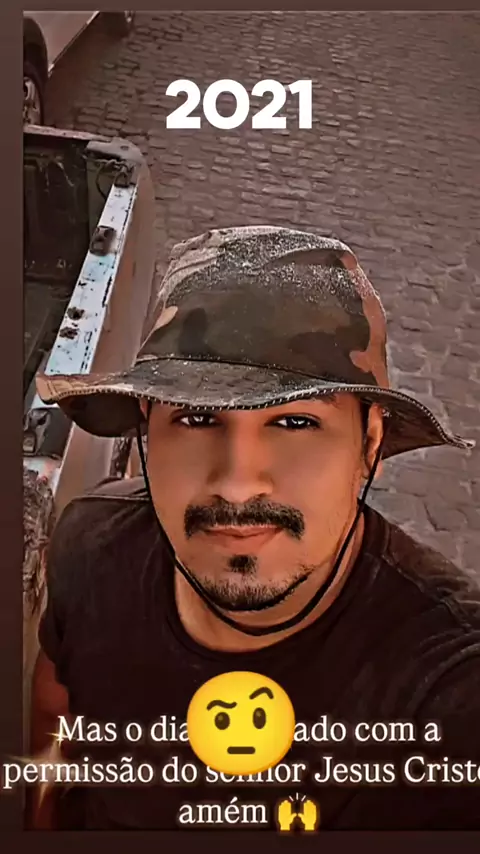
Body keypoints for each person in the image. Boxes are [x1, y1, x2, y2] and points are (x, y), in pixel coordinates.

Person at [30, 226, 480, 831]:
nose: (238, 485)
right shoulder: (90, 545)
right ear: (146, 428)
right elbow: (54, 727)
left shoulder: (450, 686)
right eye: (196, 418)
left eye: (295, 423)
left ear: (369, 442)